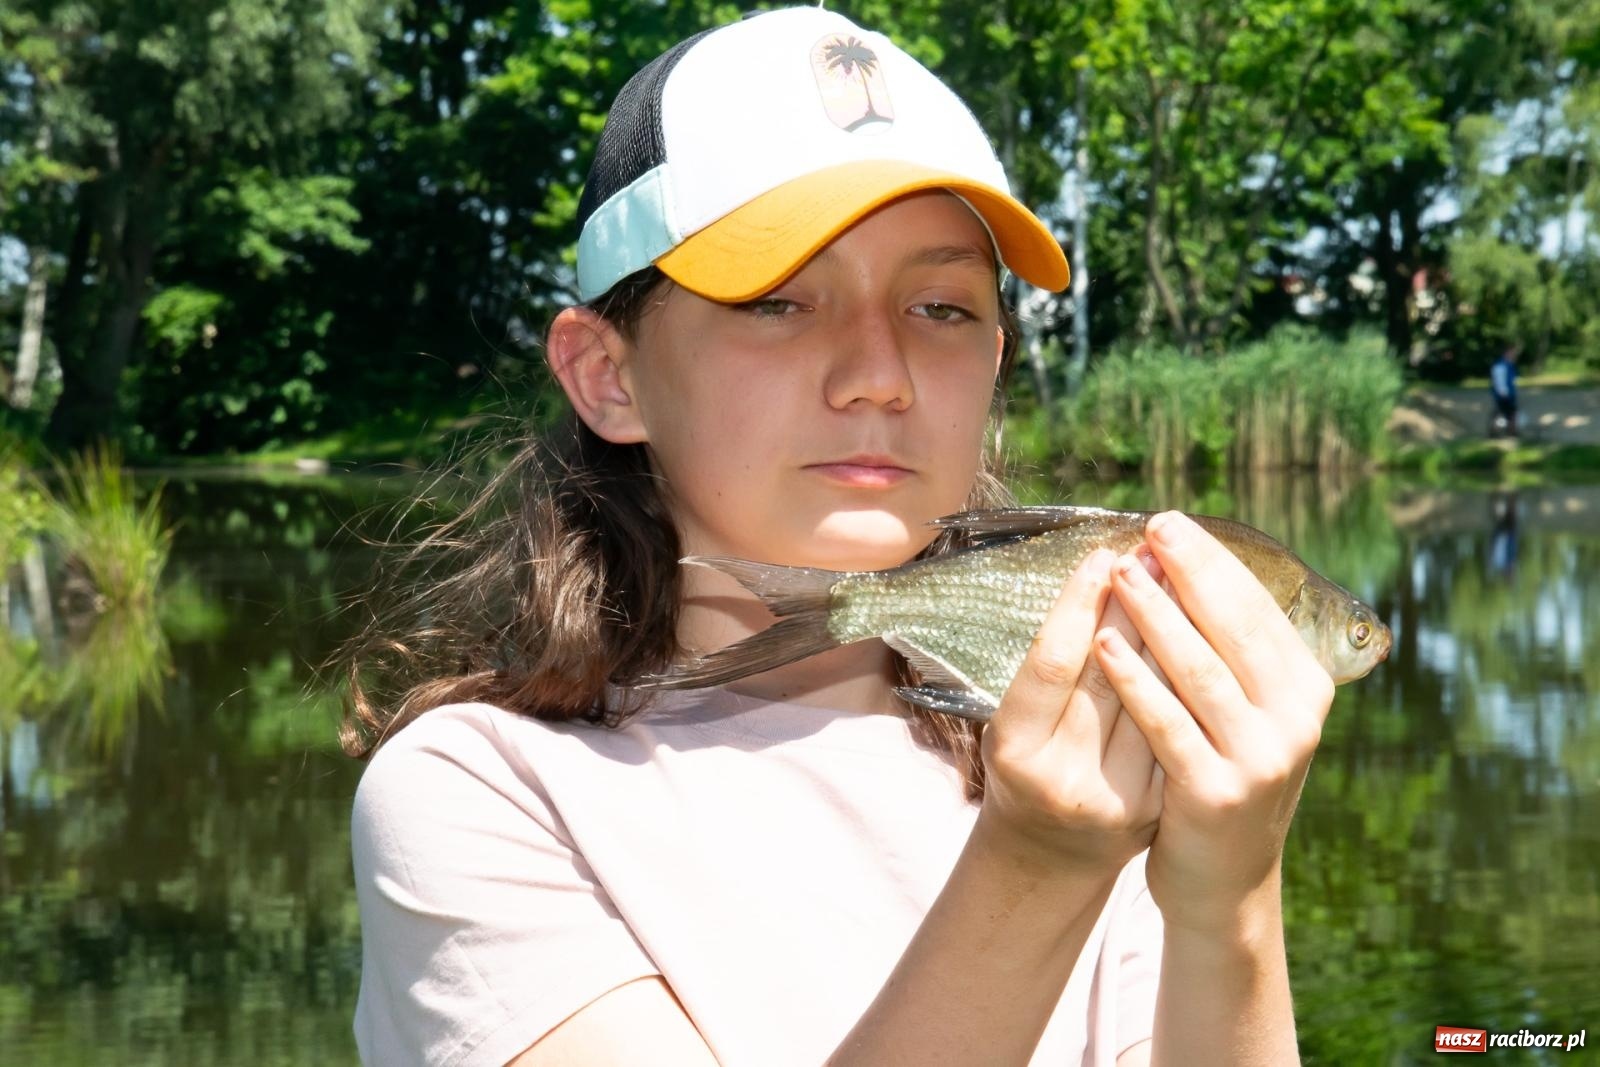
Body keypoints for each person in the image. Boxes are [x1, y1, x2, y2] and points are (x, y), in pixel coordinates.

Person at [343, 8, 1334, 1066]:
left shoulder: (1105, 751)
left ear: (994, 363)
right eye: (778, 301)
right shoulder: (480, 788)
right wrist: (1036, 867)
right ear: (608, 374)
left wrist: (1229, 892)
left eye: (942, 307)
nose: (879, 371)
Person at [1490, 343, 1519, 437]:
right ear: (1507, 353)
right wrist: (1503, 393)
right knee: (1502, 414)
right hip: (1504, 395)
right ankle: (1496, 432)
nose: (1514, 355)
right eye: (1512, 353)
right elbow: (1499, 380)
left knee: (1511, 414)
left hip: (1509, 394)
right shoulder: (1501, 365)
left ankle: (1511, 431)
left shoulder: (1509, 364)